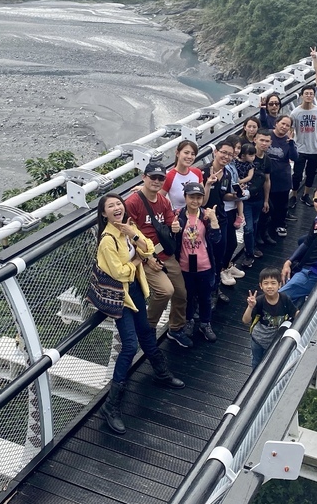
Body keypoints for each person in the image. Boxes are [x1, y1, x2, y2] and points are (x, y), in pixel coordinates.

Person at [95, 194, 184, 435]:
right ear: (104, 214)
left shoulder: (128, 229)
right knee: (130, 346)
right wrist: (137, 259)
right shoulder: (107, 241)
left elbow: (147, 247)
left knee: (145, 330)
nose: (116, 208)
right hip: (121, 296)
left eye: (118, 204)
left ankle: (161, 373)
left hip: (135, 289)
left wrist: (133, 236)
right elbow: (121, 272)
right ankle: (111, 406)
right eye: (110, 206)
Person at [125, 163, 192, 348]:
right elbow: (127, 235)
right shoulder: (132, 203)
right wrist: (146, 258)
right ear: (144, 178)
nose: (156, 181)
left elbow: (170, 221)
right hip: (145, 256)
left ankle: (176, 328)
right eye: (152, 177)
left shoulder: (163, 201)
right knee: (165, 291)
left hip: (163, 252)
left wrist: (176, 226)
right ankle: (148, 327)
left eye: (160, 178)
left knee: (181, 293)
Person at [175, 182, 223, 344]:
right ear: (185, 197)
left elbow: (216, 239)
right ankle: (189, 321)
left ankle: (205, 323)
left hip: (204, 265)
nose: (195, 201)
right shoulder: (178, 215)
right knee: (188, 296)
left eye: (198, 197)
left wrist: (214, 221)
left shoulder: (206, 216)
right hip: (185, 266)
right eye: (191, 197)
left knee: (205, 297)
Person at [202, 139, 241, 295]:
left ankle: (215, 288)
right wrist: (208, 184)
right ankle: (205, 291)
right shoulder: (203, 172)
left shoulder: (226, 173)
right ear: (215, 152)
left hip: (221, 218)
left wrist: (236, 195)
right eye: (223, 152)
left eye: (230, 154)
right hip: (205, 220)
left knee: (221, 253)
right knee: (206, 256)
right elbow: (199, 200)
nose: (226, 156)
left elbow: (223, 195)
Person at [242, 268, 298, 369]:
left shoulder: (284, 299)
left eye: (273, 283)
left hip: (276, 339)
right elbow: (245, 320)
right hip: (258, 340)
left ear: (279, 285)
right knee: (256, 362)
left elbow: (295, 313)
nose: (269, 286)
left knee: (272, 362)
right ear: (261, 286)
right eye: (266, 283)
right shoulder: (259, 301)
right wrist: (250, 307)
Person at [238, 130, 271, 268]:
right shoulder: (245, 158)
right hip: (246, 201)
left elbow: (267, 180)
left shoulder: (267, 160)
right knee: (248, 229)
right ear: (255, 139)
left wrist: (266, 200)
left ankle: (252, 247)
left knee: (255, 223)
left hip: (258, 198)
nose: (263, 143)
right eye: (261, 140)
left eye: (267, 141)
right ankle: (249, 254)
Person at [289, 85, 317, 207]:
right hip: (300, 148)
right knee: (297, 174)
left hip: (314, 148)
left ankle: (306, 195)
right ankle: (294, 196)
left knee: (311, 173)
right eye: (306, 93)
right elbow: (291, 130)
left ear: (314, 96)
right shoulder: (295, 112)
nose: (309, 96)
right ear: (302, 96)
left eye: (311, 94)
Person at [263, 116, 298, 244]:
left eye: (287, 125)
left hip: (282, 177)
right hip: (267, 177)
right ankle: (266, 227)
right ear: (276, 123)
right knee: (268, 204)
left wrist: (292, 143)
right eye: (282, 123)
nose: (284, 127)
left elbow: (295, 158)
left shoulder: (288, 141)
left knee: (282, 205)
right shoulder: (268, 135)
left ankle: (280, 224)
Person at [162, 140, 203, 211]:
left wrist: (208, 184)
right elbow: (159, 200)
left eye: (193, 154)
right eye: (186, 153)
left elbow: (203, 201)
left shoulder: (197, 172)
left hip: (196, 217)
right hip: (178, 218)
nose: (189, 156)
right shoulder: (169, 176)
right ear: (177, 153)